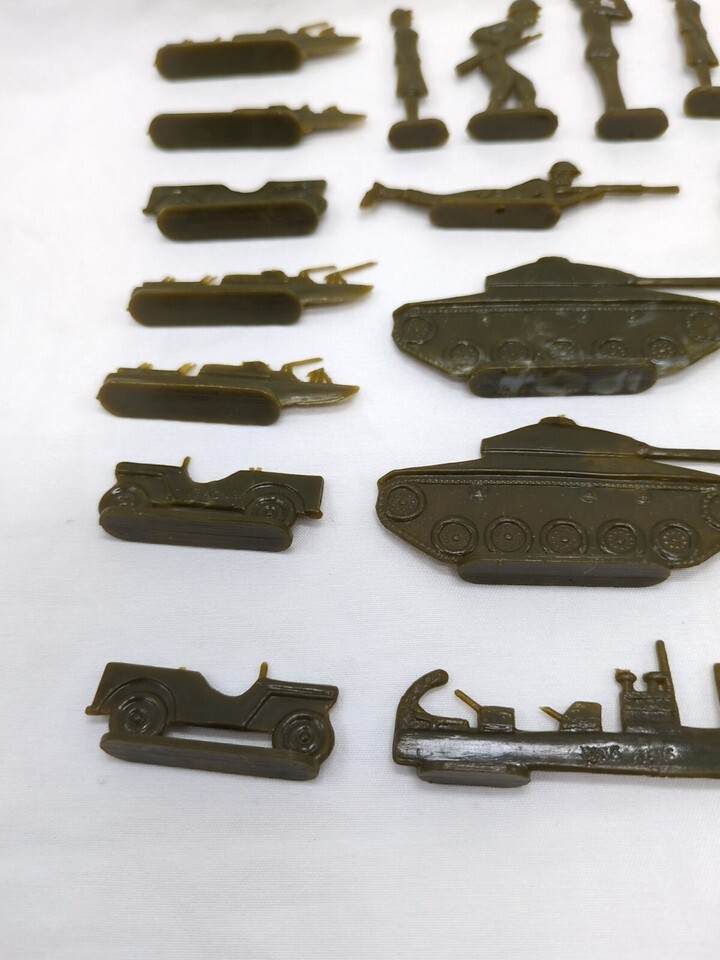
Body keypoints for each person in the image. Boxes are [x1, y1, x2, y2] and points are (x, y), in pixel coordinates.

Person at [457, 0, 542, 111]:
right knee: (505, 79)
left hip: (497, 58)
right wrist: (498, 41)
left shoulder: (517, 31)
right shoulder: (507, 25)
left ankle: (530, 108)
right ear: (522, 13)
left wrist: (519, 43)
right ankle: (493, 109)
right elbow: (477, 34)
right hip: (489, 58)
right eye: (533, 13)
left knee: (523, 82)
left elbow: (506, 47)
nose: (536, 17)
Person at [573, 0, 632, 112]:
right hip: (603, 49)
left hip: (597, 49)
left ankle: (616, 109)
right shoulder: (596, 10)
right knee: (611, 84)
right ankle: (616, 110)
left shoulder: (588, 12)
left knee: (610, 84)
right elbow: (625, 15)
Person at [391, 9, 428, 120]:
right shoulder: (401, 32)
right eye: (408, 19)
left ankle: (413, 118)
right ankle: (412, 118)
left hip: (411, 61)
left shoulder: (402, 31)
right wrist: (407, 59)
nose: (410, 21)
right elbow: (403, 49)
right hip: (407, 62)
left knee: (413, 89)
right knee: (410, 88)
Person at [675, 0, 717, 88]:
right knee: (699, 56)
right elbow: (686, 17)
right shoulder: (681, 3)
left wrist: (699, 29)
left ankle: (707, 85)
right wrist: (696, 27)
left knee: (703, 56)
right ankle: (706, 85)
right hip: (691, 29)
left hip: (697, 30)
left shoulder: (685, 3)